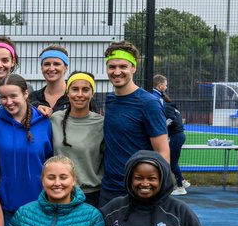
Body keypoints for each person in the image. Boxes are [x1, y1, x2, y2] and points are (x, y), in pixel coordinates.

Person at [100, 41, 169, 207]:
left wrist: (159, 190)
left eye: (123, 66)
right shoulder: (110, 100)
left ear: (133, 68)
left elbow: (162, 151)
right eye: (112, 67)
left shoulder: (149, 103)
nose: (117, 72)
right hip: (109, 189)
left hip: (137, 190)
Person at [0, 73, 52, 216]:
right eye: (3, 97)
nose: (9, 102)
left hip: (40, 203)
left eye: (13, 96)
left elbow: (50, 158)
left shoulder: (44, 122)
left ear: (25, 94)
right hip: (5, 204)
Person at [50, 72, 104, 199]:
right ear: (67, 92)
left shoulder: (101, 123)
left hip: (90, 194)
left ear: (92, 93)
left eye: (85, 90)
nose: (80, 94)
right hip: (59, 191)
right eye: (75, 89)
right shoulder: (55, 119)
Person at [152, 74, 188, 195]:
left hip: (176, 136)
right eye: (165, 85)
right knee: (172, 161)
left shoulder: (167, 107)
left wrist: (161, 128)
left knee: (172, 162)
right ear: (160, 85)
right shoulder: (170, 106)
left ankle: (180, 187)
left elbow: (172, 121)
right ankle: (182, 181)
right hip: (178, 135)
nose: (166, 87)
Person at [29, 44, 71, 115]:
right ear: (41, 68)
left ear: (66, 68)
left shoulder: (75, 97)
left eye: (56, 64)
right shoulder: (33, 98)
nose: (51, 68)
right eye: (47, 64)